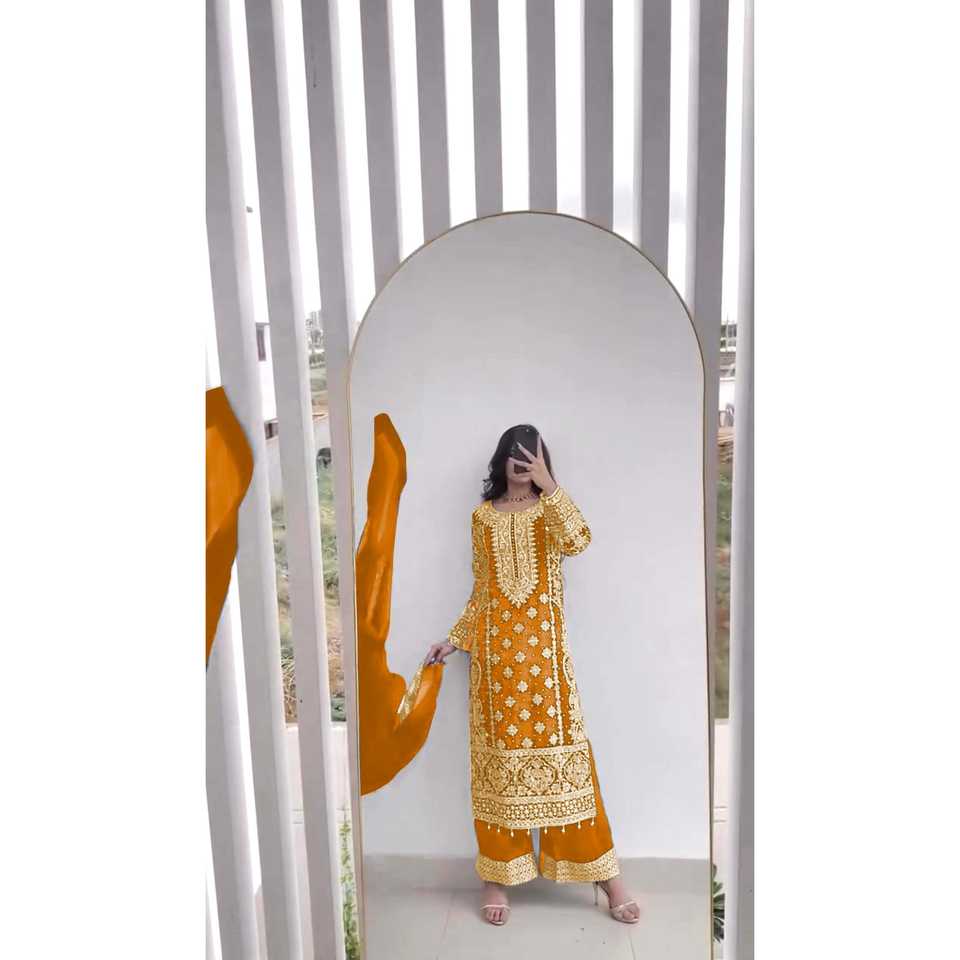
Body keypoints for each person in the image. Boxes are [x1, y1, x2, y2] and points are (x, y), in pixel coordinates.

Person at [424, 424, 640, 927]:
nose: (521, 466)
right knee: (499, 767)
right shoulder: (482, 517)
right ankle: (496, 878)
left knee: (569, 764)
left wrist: (551, 486)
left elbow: (579, 540)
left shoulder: (551, 511)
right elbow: (482, 590)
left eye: (532, 458)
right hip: (495, 664)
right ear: (501, 460)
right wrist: (454, 638)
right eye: (515, 457)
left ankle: (605, 875)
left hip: (547, 663)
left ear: (542, 462)